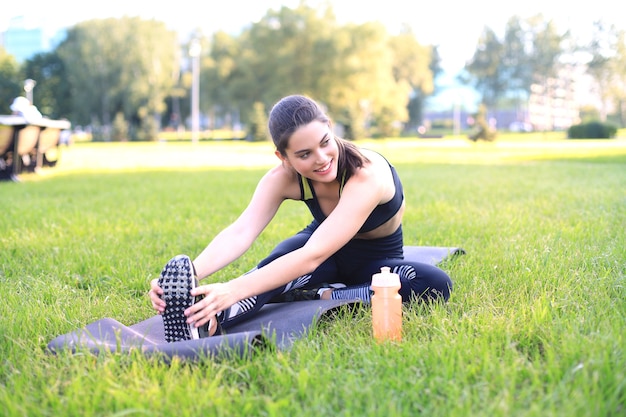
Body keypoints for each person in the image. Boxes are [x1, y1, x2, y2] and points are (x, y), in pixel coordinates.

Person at [148, 94, 453, 342]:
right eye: (304, 154)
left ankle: (323, 294)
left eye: (324, 142)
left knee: (432, 283)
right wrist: (189, 276)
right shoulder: (282, 178)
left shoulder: (365, 174)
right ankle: (207, 319)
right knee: (268, 275)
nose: (321, 159)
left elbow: (312, 255)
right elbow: (241, 231)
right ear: (284, 158)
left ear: (331, 129)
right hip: (320, 249)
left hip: (374, 261)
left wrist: (234, 288)